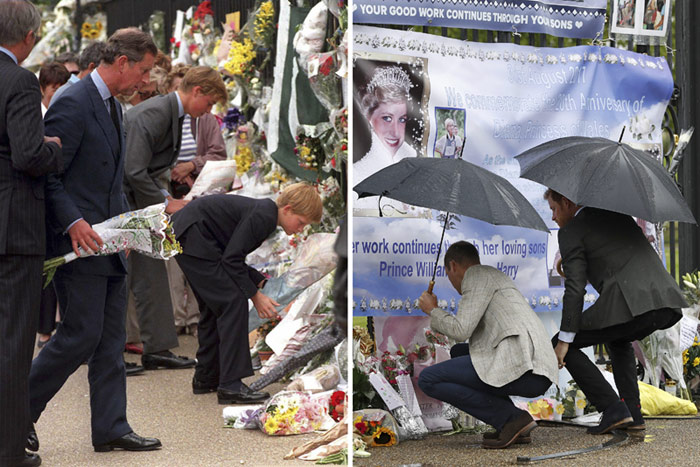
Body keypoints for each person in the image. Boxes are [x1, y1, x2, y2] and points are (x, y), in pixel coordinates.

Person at [29, 27, 161, 454]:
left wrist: (128, 228)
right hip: (80, 242)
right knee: (79, 335)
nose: (145, 80)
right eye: (143, 70)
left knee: (108, 340)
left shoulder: (113, 108)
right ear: (121, 62)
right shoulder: (73, 101)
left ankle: (111, 427)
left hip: (110, 241)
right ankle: (15, 412)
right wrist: (73, 222)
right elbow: (48, 174)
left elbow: (109, 180)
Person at [544, 189, 686, 434]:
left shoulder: (570, 231)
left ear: (567, 203)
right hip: (663, 302)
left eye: (554, 209)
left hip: (631, 306)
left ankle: (612, 409)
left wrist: (565, 340)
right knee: (617, 338)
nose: (554, 218)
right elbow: (615, 260)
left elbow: (575, 289)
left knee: (561, 341)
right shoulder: (617, 216)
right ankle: (633, 413)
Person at [172, 183, 323, 404]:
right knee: (233, 302)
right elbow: (231, 259)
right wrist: (255, 295)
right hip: (194, 237)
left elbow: (231, 254)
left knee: (214, 306)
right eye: (301, 222)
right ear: (288, 209)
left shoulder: (264, 213)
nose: (301, 229)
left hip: (191, 235)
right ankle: (231, 385)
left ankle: (207, 376)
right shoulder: (264, 217)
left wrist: (257, 280)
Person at [123, 65, 227, 371]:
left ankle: (156, 347)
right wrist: (164, 202)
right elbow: (134, 170)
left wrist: (164, 199)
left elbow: (146, 170)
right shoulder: (155, 114)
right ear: (197, 91)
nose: (208, 111)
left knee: (152, 274)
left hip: (143, 200)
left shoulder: (168, 112)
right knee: (124, 278)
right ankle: (112, 351)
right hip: (131, 202)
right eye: (208, 104)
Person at [416, 241, 558, 449]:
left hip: (524, 367)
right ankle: (513, 423)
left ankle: (511, 419)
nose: (453, 283)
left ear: (453, 266)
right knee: (458, 351)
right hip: (537, 367)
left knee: (428, 380)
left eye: (448, 274)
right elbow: (469, 337)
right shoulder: (494, 276)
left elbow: (461, 330)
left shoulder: (475, 277)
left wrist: (433, 310)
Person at [0, 2, 63, 466]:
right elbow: (26, 155)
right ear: (27, 38)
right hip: (11, 229)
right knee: (13, 343)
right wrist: (52, 149)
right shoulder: (19, 80)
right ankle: (8, 449)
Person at [354, 65, 416, 187]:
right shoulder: (357, 174)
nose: (395, 132)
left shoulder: (415, 169)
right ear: (368, 118)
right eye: (387, 118)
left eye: (402, 120)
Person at [49, 41, 107, 106]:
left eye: (74, 73)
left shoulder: (103, 96)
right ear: (91, 67)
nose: (66, 78)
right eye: (62, 74)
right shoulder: (64, 94)